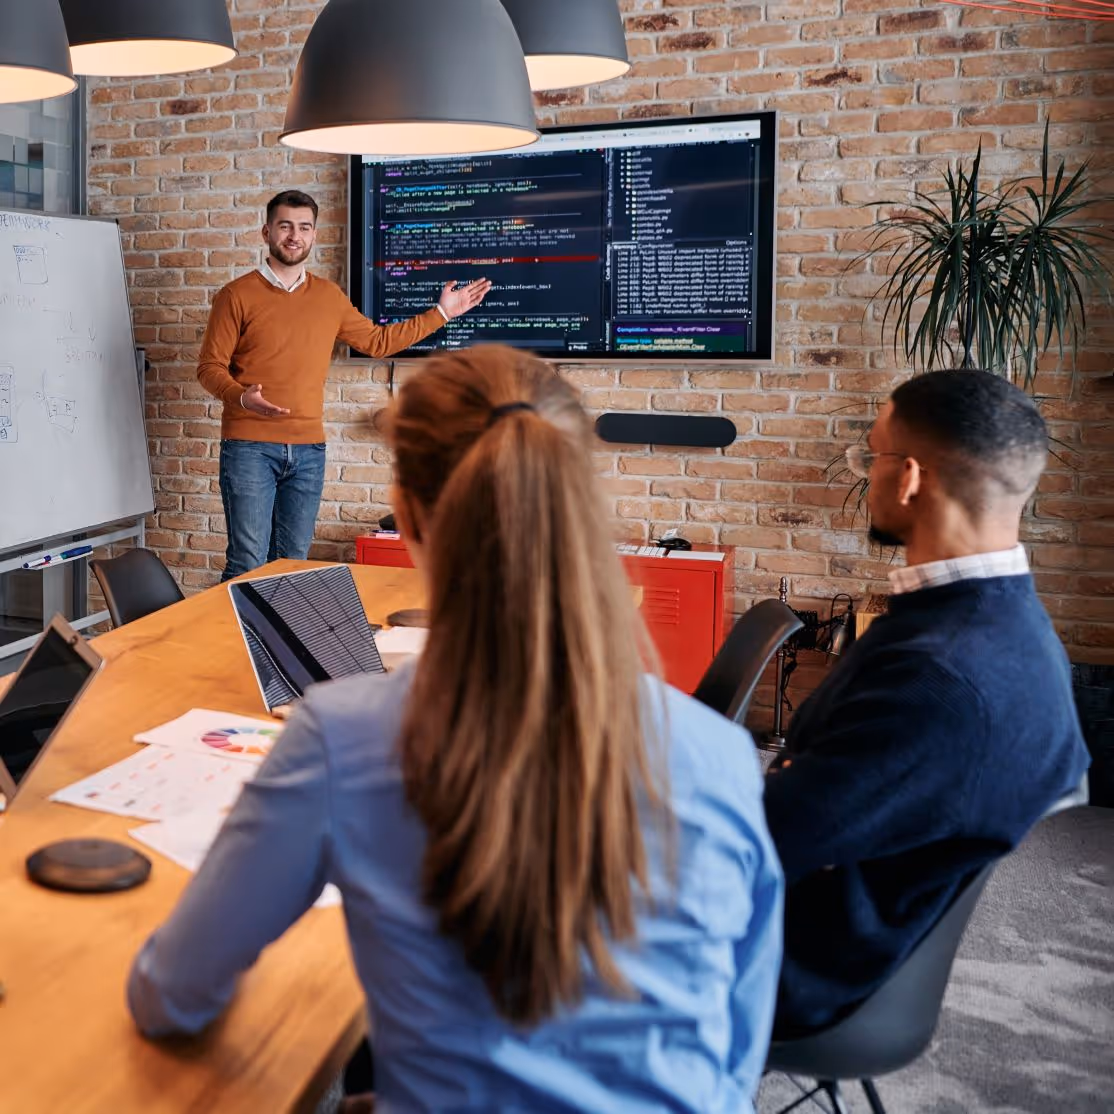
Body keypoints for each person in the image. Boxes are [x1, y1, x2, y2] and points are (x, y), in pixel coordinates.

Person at [127, 345, 784, 1113]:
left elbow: (172, 997)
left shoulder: (345, 739)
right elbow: (738, 1048)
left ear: (405, 514)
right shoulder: (724, 757)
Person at [764, 369, 1090, 1038]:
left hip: (792, 965)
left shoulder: (940, 677)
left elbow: (761, 844)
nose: (864, 471)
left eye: (870, 454)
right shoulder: (1006, 628)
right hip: (830, 917)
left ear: (908, 477)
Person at [196, 189, 492, 581]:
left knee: (292, 565)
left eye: (304, 227)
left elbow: (378, 342)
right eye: (285, 226)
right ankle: (233, 644)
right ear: (266, 231)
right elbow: (209, 368)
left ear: (314, 235)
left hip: (308, 452)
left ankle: (279, 645)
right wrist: (242, 398)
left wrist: (441, 313)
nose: (293, 236)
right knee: (248, 563)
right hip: (249, 448)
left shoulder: (328, 297)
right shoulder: (235, 296)